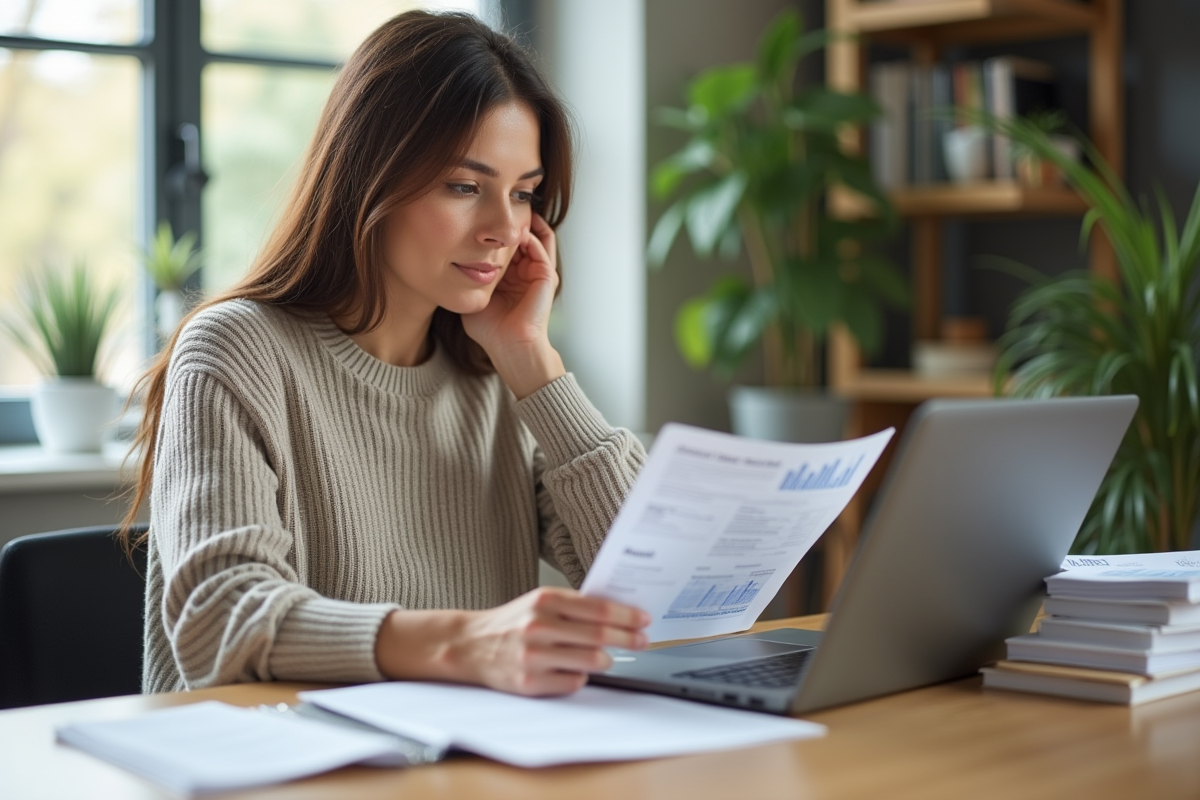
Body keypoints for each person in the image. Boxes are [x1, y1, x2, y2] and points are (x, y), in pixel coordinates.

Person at [120, 10, 650, 698]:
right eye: (465, 186)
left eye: (522, 194)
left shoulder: (493, 375)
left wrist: (532, 360)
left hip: (461, 763)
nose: (503, 228)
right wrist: (466, 643)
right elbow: (219, 622)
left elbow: (646, 588)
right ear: (370, 177)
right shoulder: (236, 350)